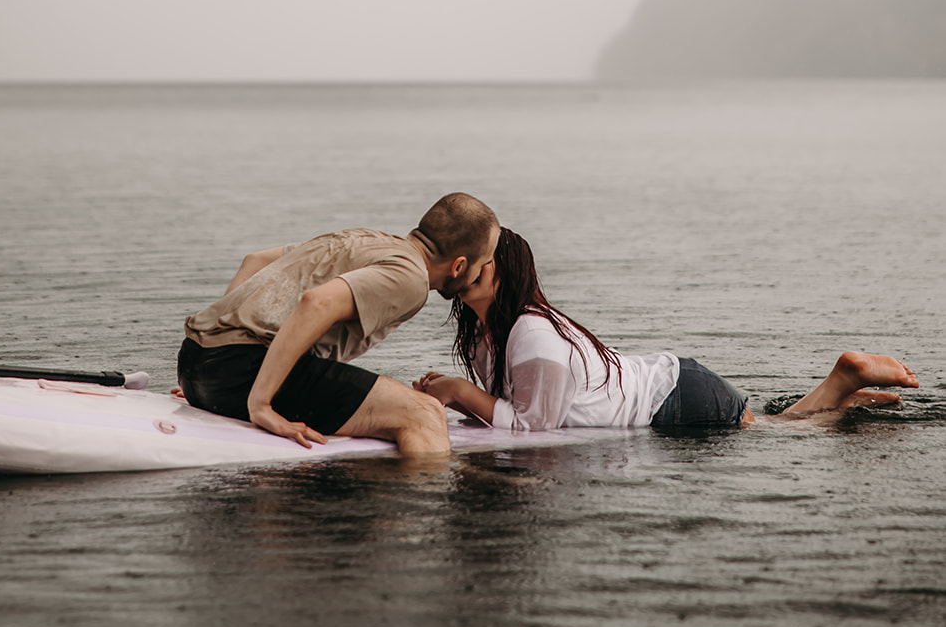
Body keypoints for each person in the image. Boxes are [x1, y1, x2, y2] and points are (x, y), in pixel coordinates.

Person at [414, 228, 919, 431]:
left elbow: (532, 427)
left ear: (506, 275)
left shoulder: (532, 334)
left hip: (676, 397)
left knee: (781, 433)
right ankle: (844, 396)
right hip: (667, 383)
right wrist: (450, 394)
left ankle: (842, 384)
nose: (468, 269)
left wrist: (458, 391)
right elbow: (517, 405)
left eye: (482, 264)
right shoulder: (484, 334)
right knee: (773, 424)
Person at [178, 192, 499, 456]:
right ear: (459, 265)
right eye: (484, 263)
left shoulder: (366, 240)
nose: (486, 270)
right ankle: (433, 521)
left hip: (196, 361)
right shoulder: (411, 278)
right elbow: (316, 303)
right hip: (240, 372)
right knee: (424, 414)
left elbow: (256, 260)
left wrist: (210, 368)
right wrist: (259, 403)